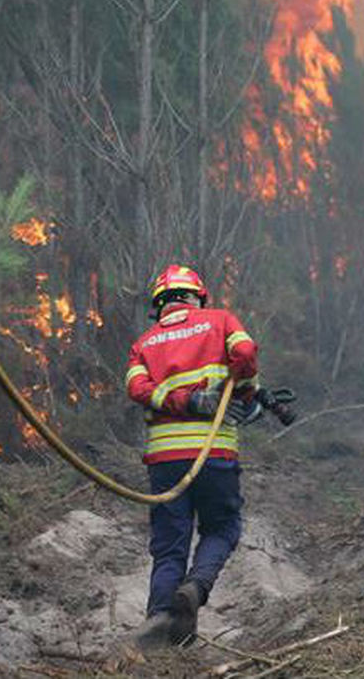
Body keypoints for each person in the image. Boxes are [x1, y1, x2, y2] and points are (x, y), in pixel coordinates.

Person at [125, 265, 261, 647]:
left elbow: (136, 388)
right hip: (214, 453)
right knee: (222, 527)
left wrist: (185, 400)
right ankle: (196, 589)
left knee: (170, 546)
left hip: (166, 460)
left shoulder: (145, 342)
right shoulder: (220, 321)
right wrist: (242, 391)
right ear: (197, 297)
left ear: (160, 305)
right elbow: (246, 354)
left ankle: (161, 625)